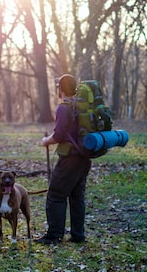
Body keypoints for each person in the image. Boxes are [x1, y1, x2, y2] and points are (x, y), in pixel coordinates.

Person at [35, 73, 92, 244]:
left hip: (70, 159)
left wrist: (46, 141)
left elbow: (59, 135)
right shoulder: (81, 106)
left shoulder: (64, 108)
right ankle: (78, 235)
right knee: (77, 196)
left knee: (56, 194)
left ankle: (54, 235)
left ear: (61, 89)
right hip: (84, 157)